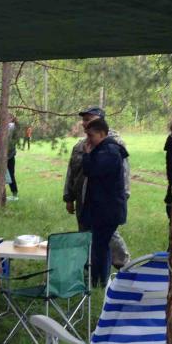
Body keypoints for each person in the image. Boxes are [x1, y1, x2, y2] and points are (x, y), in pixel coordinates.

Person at [63, 107, 131, 268]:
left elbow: (124, 173)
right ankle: (89, 266)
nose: (84, 123)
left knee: (108, 237)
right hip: (83, 199)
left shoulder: (114, 144)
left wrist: (124, 195)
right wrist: (69, 197)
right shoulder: (80, 146)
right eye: (84, 120)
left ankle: (124, 265)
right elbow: (72, 172)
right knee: (85, 234)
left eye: (88, 119)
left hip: (105, 202)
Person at [80, 118, 128, 287]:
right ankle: (99, 279)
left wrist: (87, 155)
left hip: (107, 210)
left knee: (99, 246)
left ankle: (98, 280)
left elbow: (91, 171)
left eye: (91, 136)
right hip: (101, 208)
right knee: (100, 245)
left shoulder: (109, 151)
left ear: (101, 134)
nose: (88, 139)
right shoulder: (103, 149)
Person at [5, 117, 20, 200]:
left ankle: (14, 194)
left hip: (10, 156)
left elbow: (18, 127)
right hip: (1, 157)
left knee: (10, 175)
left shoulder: (12, 126)